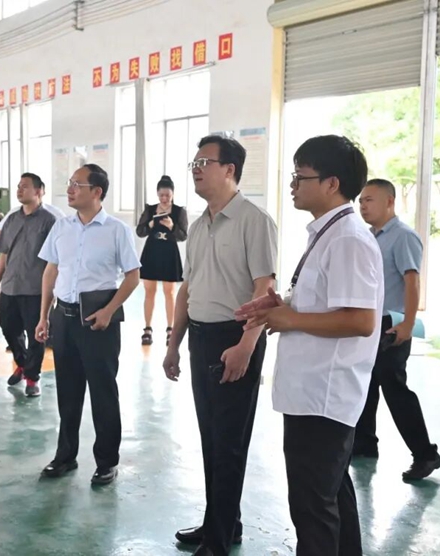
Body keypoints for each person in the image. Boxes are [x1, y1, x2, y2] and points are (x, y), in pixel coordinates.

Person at [236, 135, 384, 556]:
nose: (293, 185)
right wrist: (283, 305)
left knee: (312, 507)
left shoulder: (348, 240)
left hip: (324, 395)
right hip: (312, 393)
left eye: (301, 177)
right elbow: (329, 303)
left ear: (331, 183)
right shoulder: (329, 233)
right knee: (332, 495)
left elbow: (361, 320)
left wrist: (291, 319)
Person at [162, 135, 278, 556]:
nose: (196, 169)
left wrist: (247, 345)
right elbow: (187, 289)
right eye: (194, 163)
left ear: (230, 170)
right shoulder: (196, 227)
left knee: (229, 441)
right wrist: (174, 344)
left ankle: (218, 540)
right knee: (211, 437)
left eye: (204, 162)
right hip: (202, 339)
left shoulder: (254, 221)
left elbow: (265, 289)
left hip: (236, 339)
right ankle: (223, 522)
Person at [35, 164, 141, 485]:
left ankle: (107, 461)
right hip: (63, 319)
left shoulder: (117, 230)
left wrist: (109, 310)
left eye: (77, 184)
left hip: (98, 322)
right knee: (67, 393)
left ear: (97, 192)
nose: (70, 189)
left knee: (103, 392)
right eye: (69, 183)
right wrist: (43, 316)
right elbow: (51, 272)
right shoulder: (61, 227)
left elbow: (132, 277)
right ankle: (65, 456)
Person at [355, 178, 440, 479]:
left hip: (392, 324)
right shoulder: (371, 237)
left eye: (369, 200)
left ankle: (426, 455)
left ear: (390, 202)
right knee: (366, 385)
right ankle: (364, 444)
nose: (363, 206)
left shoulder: (403, 236)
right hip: (371, 323)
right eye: (361, 201)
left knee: (394, 388)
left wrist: (407, 323)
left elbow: (412, 281)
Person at [0, 173, 57, 397]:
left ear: (39, 191)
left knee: (36, 334)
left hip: (36, 290)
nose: (19, 190)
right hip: (10, 286)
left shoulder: (49, 221)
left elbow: (55, 261)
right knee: (8, 328)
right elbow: (4, 253)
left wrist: (52, 291)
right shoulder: (12, 219)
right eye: (18, 186)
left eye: (25, 187)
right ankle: (22, 363)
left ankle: (32, 377)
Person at [136, 175, 188, 346]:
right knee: (149, 291)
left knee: (170, 293)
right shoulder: (150, 209)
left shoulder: (179, 211)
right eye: (161, 195)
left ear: (173, 194)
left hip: (169, 253)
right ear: (157, 194)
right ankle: (147, 328)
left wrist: (172, 226)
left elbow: (183, 235)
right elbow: (140, 232)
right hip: (152, 252)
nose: (164, 199)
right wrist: (151, 224)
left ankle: (170, 329)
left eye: (168, 195)